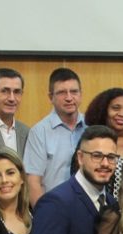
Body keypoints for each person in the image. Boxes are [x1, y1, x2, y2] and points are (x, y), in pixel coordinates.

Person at [24, 68, 86, 203]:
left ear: (81, 94)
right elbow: (33, 182)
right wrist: (44, 216)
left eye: (74, 92)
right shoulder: (39, 132)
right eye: (62, 93)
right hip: (55, 208)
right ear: (51, 97)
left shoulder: (92, 127)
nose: (69, 98)